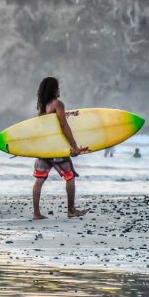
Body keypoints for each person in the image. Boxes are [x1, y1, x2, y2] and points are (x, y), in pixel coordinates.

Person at [32, 77, 89, 220]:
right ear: (54, 89)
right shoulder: (58, 104)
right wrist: (74, 146)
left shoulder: (40, 106)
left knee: (39, 180)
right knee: (70, 176)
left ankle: (36, 213)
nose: (59, 90)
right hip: (56, 149)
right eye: (58, 87)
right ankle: (71, 210)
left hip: (43, 149)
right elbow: (64, 125)